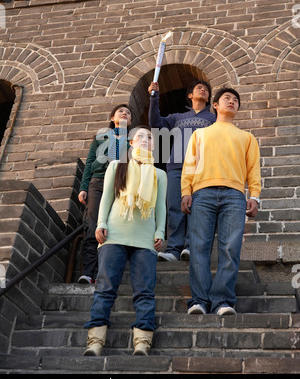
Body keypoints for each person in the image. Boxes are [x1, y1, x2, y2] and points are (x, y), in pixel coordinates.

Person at [83, 126, 167, 356]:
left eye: (149, 137)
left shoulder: (160, 174)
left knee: (144, 291)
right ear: (130, 143)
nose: (144, 139)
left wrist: (160, 231)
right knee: (105, 288)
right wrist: (101, 223)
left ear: (153, 145)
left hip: (145, 239)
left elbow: (160, 207)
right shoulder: (116, 166)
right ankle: (95, 342)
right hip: (115, 234)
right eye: (139, 136)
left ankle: (142, 342)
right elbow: (107, 198)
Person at [181, 87, 261, 316]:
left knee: (230, 248)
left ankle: (222, 301)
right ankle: (199, 300)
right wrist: (186, 191)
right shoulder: (200, 134)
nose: (232, 102)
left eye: (236, 100)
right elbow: (190, 165)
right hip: (202, 193)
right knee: (199, 247)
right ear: (214, 105)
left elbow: (253, 170)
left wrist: (253, 195)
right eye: (227, 98)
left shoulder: (247, 137)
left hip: (235, 195)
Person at [148, 79, 215, 261]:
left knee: (197, 208)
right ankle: (174, 249)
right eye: (198, 88)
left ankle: (191, 246)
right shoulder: (177, 117)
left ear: (209, 97)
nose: (202, 90)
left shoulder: (214, 119)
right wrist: (154, 98)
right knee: (175, 207)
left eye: (206, 89)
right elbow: (155, 124)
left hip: (202, 168)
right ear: (190, 95)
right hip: (177, 166)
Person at [77, 104, 132, 284]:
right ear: (112, 118)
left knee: (114, 226)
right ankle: (88, 272)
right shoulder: (101, 138)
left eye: (128, 113)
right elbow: (90, 161)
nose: (124, 113)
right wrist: (84, 187)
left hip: (121, 184)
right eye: (120, 112)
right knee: (93, 225)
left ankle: (106, 272)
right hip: (98, 182)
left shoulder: (133, 139)